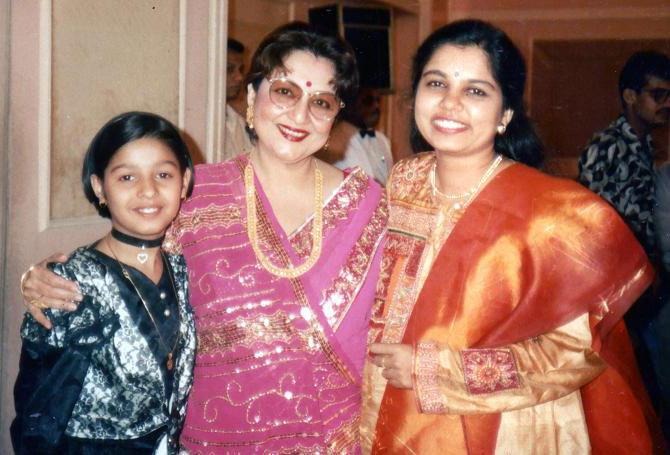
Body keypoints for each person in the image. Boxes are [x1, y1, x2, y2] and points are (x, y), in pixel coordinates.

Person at [20, 23, 387, 454]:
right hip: (215, 437)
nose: (300, 115)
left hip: (334, 439)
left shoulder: (368, 205)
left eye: (321, 102)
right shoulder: (195, 195)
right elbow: (123, 259)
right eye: (286, 92)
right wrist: (48, 279)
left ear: (334, 117)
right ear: (252, 98)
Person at [361, 20, 662, 454]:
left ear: (505, 114)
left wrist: (434, 370)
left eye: (476, 91)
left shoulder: (553, 212)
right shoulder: (402, 181)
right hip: (390, 405)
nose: (450, 103)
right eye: (436, 83)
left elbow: (578, 354)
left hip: (502, 424)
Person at [12, 112, 196, 454]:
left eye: (163, 174)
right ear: (100, 187)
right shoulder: (69, 285)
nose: (148, 190)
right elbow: (39, 418)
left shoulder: (185, 268)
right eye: (127, 177)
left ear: (183, 182)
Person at [578, 51, 670, 259]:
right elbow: (593, 225)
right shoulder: (606, 146)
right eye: (658, 95)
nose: (668, 104)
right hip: (613, 274)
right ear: (630, 96)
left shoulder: (645, 146)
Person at [327, 87, 393, 185]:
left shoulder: (382, 140)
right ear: (352, 104)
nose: (376, 106)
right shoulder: (334, 140)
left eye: (378, 100)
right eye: (368, 100)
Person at [224, 37, 253, 160]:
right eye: (229, 69)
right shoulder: (196, 123)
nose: (239, 77)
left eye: (240, 69)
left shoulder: (240, 123)